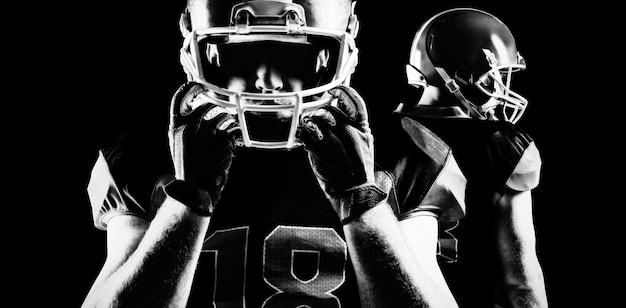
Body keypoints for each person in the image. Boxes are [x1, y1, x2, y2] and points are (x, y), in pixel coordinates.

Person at [81, 1, 462, 307]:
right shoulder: (142, 151)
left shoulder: (405, 152)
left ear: (347, 40)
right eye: (240, 56)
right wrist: (188, 198)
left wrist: (362, 202)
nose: (268, 83)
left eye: (296, 57)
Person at [388, 7, 549, 308]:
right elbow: (521, 281)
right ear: (461, 76)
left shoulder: (377, 137)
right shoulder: (502, 146)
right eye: (495, 76)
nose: (501, 86)